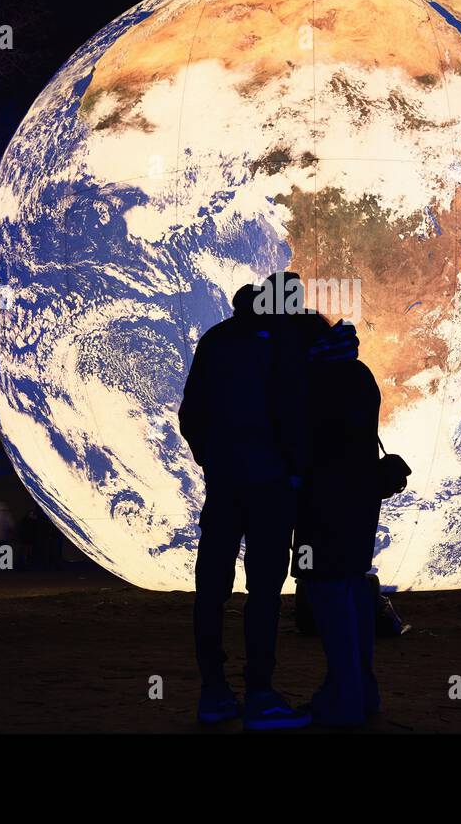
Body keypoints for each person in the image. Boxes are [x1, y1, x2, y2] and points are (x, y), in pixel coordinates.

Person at [178, 273, 323, 731]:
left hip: (225, 484)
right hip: (271, 487)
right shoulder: (285, 343)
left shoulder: (218, 338)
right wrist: (295, 471)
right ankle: (260, 694)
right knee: (263, 591)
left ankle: (214, 692)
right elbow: (296, 412)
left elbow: (191, 414)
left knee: (212, 589)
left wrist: (212, 460)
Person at [291, 318, 383, 727]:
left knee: (327, 590)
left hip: (324, 503)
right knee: (351, 585)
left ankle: (343, 699)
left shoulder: (318, 381)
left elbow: (307, 444)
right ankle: (361, 692)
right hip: (361, 500)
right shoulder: (359, 373)